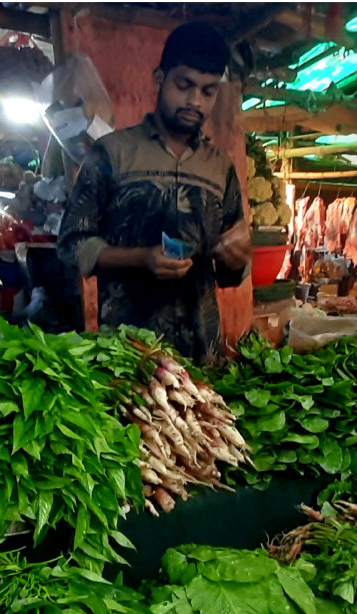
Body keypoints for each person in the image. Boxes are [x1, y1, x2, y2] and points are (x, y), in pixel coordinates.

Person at [57, 23, 251, 364]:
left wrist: (236, 259)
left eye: (208, 91)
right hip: (128, 356)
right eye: (184, 85)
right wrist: (142, 258)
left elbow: (231, 272)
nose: (195, 101)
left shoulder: (220, 168)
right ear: (160, 78)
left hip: (202, 361)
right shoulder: (111, 154)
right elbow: (72, 244)